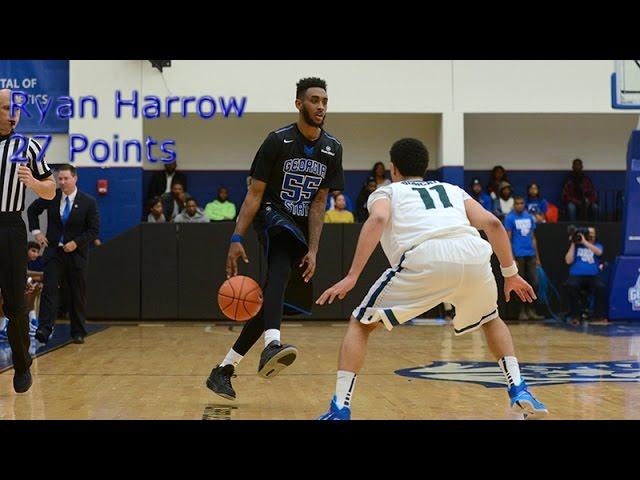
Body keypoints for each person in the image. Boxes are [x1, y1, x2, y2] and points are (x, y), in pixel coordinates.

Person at [315, 138, 547, 420]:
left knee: (360, 323)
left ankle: (340, 407)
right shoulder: (452, 189)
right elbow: (494, 224)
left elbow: (376, 221)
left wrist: (352, 276)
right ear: (424, 168)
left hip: (425, 256)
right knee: (491, 319)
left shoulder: (386, 192)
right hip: (473, 253)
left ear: (393, 169)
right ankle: (518, 388)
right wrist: (511, 275)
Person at [205, 77, 344, 401]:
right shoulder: (277, 141)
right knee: (281, 253)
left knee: (275, 300)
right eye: (314, 100)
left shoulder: (332, 148)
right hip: (272, 213)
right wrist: (236, 236)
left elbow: (320, 202)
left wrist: (313, 249)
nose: (321, 106)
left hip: (300, 223)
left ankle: (223, 369)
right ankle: (272, 345)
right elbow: (254, 194)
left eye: (324, 100)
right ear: (299, 104)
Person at [0, 89, 56, 393]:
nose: (13, 113)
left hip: (9, 227)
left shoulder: (28, 146)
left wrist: (33, 182)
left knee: (15, 302)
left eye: (17, 108)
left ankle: (21, 366)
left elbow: (50, 190)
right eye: (7, 107)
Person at [28, 164, 100, 345]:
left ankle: (78, 331)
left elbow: (93, 229)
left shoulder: (87, 201)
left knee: (77, 293)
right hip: (54, 252)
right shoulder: (52, 196)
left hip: (76, 255)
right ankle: (44, 329)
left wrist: (76, 242)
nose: (62, 182)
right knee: (50, 290)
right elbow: (32, 210)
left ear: (75, 179)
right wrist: (37, 232)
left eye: (66, 178)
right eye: (59, 178)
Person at [504, 197, 544, 320]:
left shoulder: (529, 217)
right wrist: (510, 257)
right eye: (517, 203)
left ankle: (531, 310)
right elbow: (508, 239)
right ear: (514, 204)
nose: (519, 205)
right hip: (518, 254)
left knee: (534, 282)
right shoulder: (510, 218)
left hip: (530, 254)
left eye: (522, 203)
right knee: (519, 284)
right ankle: (521, 311)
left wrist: (538, 258)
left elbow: (533, 238)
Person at [564, 227, 607, 325]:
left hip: (592, 276)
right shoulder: (577, 247)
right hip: (576, 275)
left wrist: (584, 242)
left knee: (600, 287)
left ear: (596, 235)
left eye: (592, 233)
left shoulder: (598, 245)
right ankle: (575, 316)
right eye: (589, 233)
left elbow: (599, 252)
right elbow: (568, 260)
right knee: (571, 285)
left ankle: (598, 316)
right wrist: (573, 243)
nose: (591, 235)